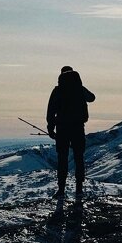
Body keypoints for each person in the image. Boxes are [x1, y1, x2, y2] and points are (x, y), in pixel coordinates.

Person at [46, 65, 95, 198]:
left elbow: (51, 110)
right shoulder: (80, 89)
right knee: (79, 158)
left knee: (62, 159)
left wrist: (50, 128)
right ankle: (79, 190)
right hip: (78, 127)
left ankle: (61, 190)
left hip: (62, 128)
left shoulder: (58, 90)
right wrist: (80, 89)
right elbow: (92, 98)